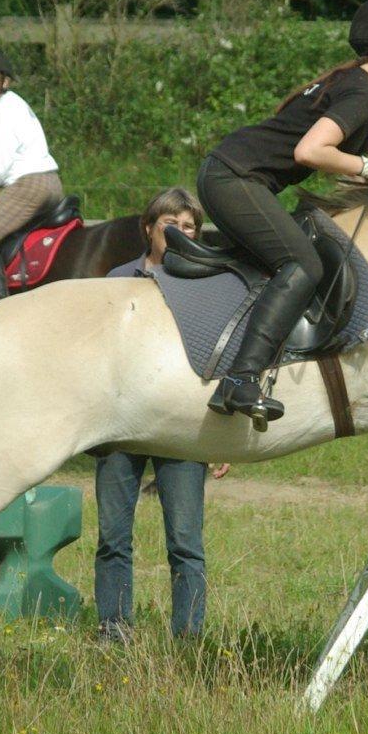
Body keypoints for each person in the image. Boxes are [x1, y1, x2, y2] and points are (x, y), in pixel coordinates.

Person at [197, 0, 368, 424]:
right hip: (235, 178)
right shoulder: (360, 94)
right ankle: (239, 379)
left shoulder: (345, 84)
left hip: (228, 174)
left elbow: (347, 174)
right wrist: (367, 166)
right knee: (303, 264)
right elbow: (311, 151)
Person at [96, 187, 229, 643]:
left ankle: (188, 639)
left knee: (186, 543)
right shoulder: (116, 280)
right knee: (113, 538)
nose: (179, 233)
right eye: (170, 224)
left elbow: (218, 359)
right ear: (149, 228)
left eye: (189, 226)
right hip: (121, 425)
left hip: (181, 428)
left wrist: (220, 435)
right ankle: (114, 630)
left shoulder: (204, 285)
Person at [0, 48, 62, 303]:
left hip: (29, 185)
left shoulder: (3, 112)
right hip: (51, 182)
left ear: (4, 82)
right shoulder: (16, 104)